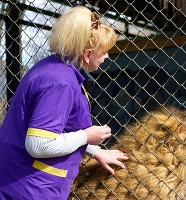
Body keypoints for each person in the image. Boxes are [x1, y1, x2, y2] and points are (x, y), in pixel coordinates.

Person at [0, 6, 128, 200]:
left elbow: (61, 129)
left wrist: (95, 151)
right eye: (103, 52)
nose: (107, 57)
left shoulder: (54, 67)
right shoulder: (61, 83)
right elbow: (38, 144)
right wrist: (86, 136)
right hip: (30, 189)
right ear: (87, 54)